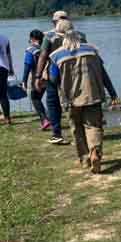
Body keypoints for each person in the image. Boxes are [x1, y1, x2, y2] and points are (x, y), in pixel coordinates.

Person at [50, 28, 119, 173]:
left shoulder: (56, 56)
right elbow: (103, 74)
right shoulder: (92, 51)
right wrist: (113, 93)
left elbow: (53, 78)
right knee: (94, 126)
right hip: (92, 95)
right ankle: (95, 152)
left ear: (64, 40)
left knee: (77, 128)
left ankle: (85, 158)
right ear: (80, 39)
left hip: (70, 99)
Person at [35, 11, 87, 145]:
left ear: (54, 22)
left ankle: (56, 133)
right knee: (76, 102)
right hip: (75, 73)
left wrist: (37, 76)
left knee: (53, 103)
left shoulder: (49, 36)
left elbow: (43, 56)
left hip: (53, 74)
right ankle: (81, 133)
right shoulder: (80, 35)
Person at [22, 29, 49, 130]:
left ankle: (44, 119)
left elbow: (27, 65)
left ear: (32, 38)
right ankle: (46, 118)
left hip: (35, 77)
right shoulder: (45, 48)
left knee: (35, 98)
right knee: (39, 98)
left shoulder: (30, 50)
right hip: (46, 76)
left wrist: (24, 81)